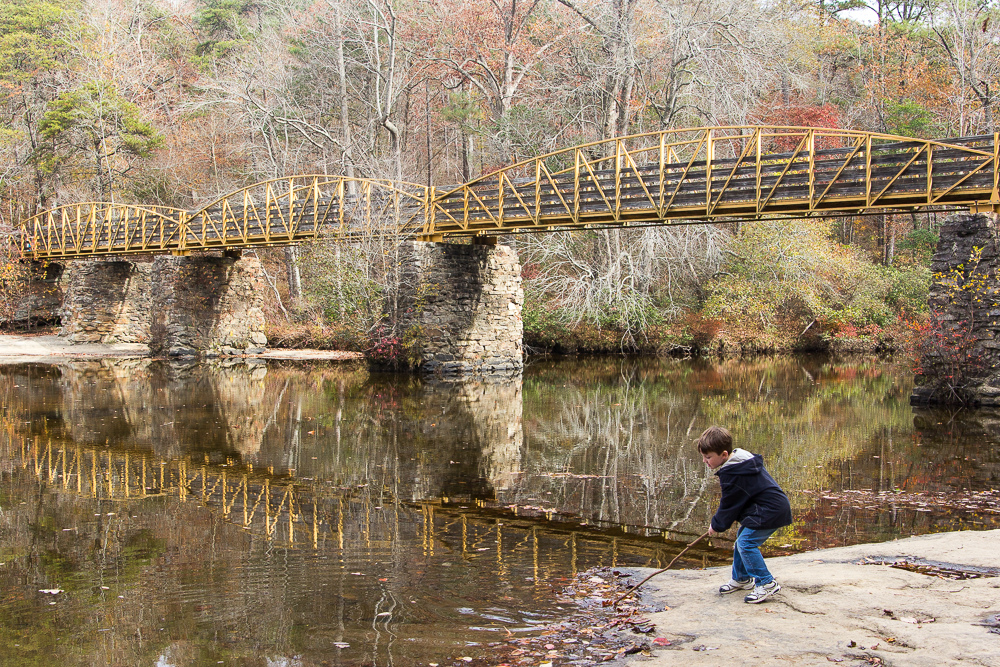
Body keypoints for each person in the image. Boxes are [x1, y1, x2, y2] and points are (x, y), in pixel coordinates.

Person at [697, 425, 792, 604]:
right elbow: (737, 501)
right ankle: (742, 578)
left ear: (724, 455)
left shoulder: (734, 473)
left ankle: (766, 582)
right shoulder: (741, 463)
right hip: (763, 509)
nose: (705, 461)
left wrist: (716, 525)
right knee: (742, 538)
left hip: (770, 511)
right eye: (704, 457)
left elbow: (729, 505)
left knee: (746, 543)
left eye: (708, 457)